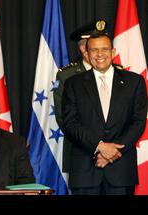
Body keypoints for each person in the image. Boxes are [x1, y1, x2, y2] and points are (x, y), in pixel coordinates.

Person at [62, 31, 147, 195]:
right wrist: (99, 146)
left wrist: (113, 152)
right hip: (85, 172)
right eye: (94, 50)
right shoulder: (73, 84)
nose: (100, 54)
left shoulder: (134, 82)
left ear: (113, 52)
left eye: (104, 49)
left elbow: (138, 122)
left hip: (121, 172)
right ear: (86, 53)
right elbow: (70, 123)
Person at [53, 20, 106, 173]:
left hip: (114, 156)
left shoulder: (119, 74)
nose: (100, 52)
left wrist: (109, 148)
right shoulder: (67, 76)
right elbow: (64, 118)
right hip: (81, 155)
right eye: (95, 46)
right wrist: (97, 145)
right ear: (83, 48)